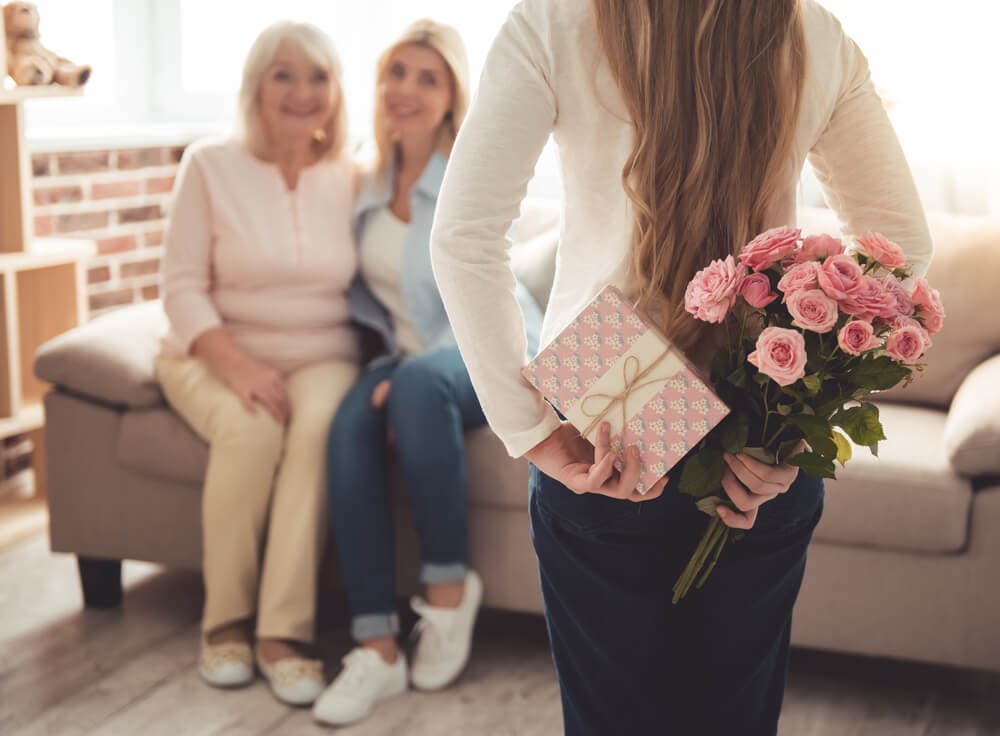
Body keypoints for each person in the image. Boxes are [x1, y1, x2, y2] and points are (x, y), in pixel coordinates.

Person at [430, 1, 933, 734]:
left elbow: (464, 237)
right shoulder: (811, 31)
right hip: (761, 427)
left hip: (606, 411)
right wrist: (789, 428)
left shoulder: (555, 20)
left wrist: (532, 431)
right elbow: (902, 250)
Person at [311, 19, 545, 727]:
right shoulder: (365, 185)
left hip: (493, 349)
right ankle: (376, 647)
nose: (406, 90)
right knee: (347, 423)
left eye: (428, 78)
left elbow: (481, 289)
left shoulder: (471, 178)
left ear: (451, 99)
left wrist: (413, 370)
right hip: (409, 362)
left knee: (409, 388)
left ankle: (448, 594)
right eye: (396, 72)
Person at [156, 21, 361, 707]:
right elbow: (180, 286)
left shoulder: (353, 176)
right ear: (256, 87)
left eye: (318, 76)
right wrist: (238, 367)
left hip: (322, 354)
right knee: (251, 429)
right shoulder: (209, 164)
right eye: (284, 75)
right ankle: (225, 625)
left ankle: (283, 636)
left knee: (311, 434)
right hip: (211, 350)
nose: (302, 92)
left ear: (336, 91)